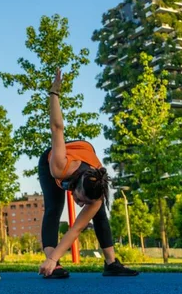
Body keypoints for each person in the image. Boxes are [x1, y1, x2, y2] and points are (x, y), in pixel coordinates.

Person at [37, 69, 139, 279]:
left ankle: (111, 263)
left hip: (83, 163)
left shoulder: (97, 192)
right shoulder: (59, 166)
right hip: (50, 162)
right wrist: (54, 94)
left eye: (83, 203)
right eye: (81, 199)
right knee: (55, 207)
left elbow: (76, 229)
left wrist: (91, 201)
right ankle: (50, 263)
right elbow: (57, 128)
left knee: (99, 213)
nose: (80, 204)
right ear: (78, 186)